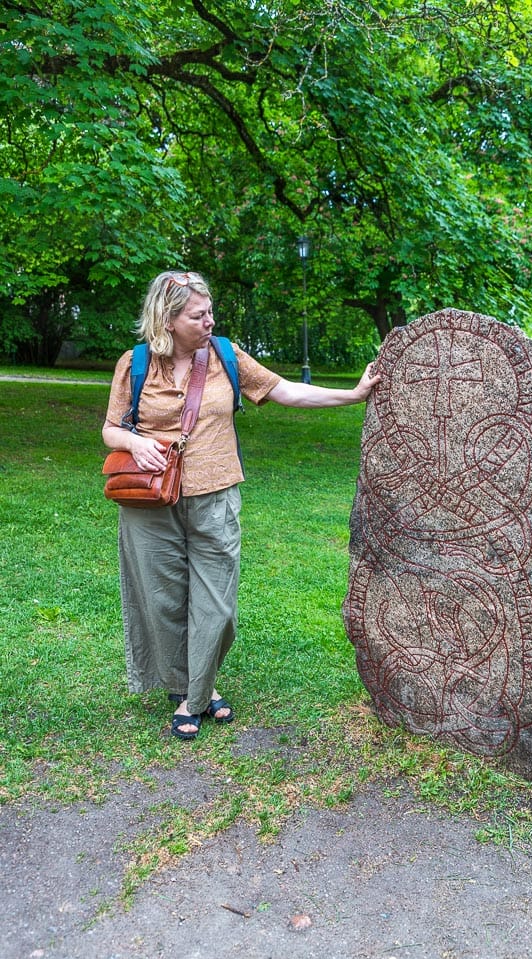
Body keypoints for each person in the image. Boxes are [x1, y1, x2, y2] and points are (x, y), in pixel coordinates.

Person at [103, 270, 380, 740]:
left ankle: (197, 688)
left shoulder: (225, 357)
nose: (210, 321)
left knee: (217, 604)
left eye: (210, 311)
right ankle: (193, 694)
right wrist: (134, 442)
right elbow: (110, 428)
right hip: (150, 501)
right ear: (168, 320)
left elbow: (285, 391)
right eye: (198, 315)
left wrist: (352, 395)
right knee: (162, 599)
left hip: (215, 497)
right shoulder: (136, 364)